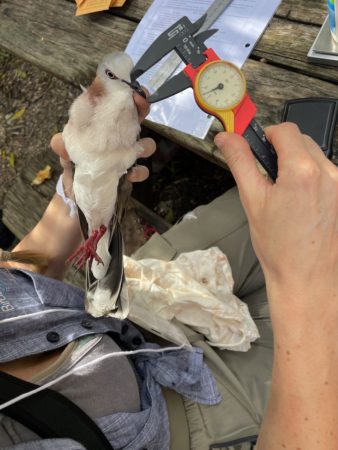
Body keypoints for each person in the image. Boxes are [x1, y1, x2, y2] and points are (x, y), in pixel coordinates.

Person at [0, 90, 337, 450]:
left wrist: (81, 188)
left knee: (303, 188)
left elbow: (20, 283)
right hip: (195, 433)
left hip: (144, 312)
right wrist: (307, 286)